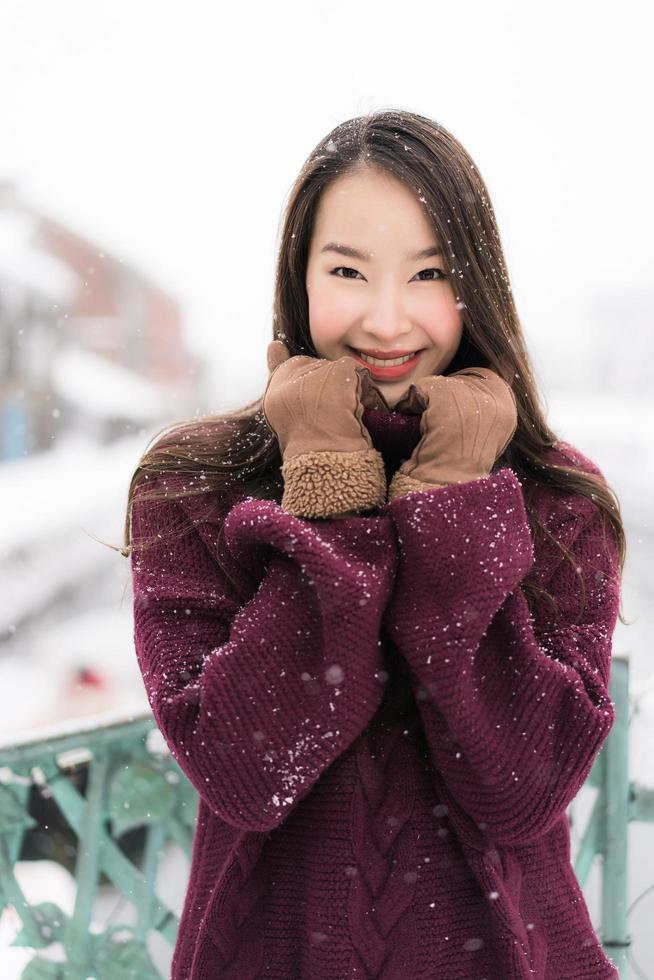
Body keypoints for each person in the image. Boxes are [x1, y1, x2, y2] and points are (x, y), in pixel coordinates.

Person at [122, 110, 627, 978]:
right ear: (302, 276)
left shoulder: (555, 499)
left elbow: (521, 791)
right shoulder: (192, 484)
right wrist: (327, 484)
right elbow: (245, 772)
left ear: (477, 285)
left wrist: (454, 502)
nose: (388, 319)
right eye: (349, 269)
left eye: (429, 272)